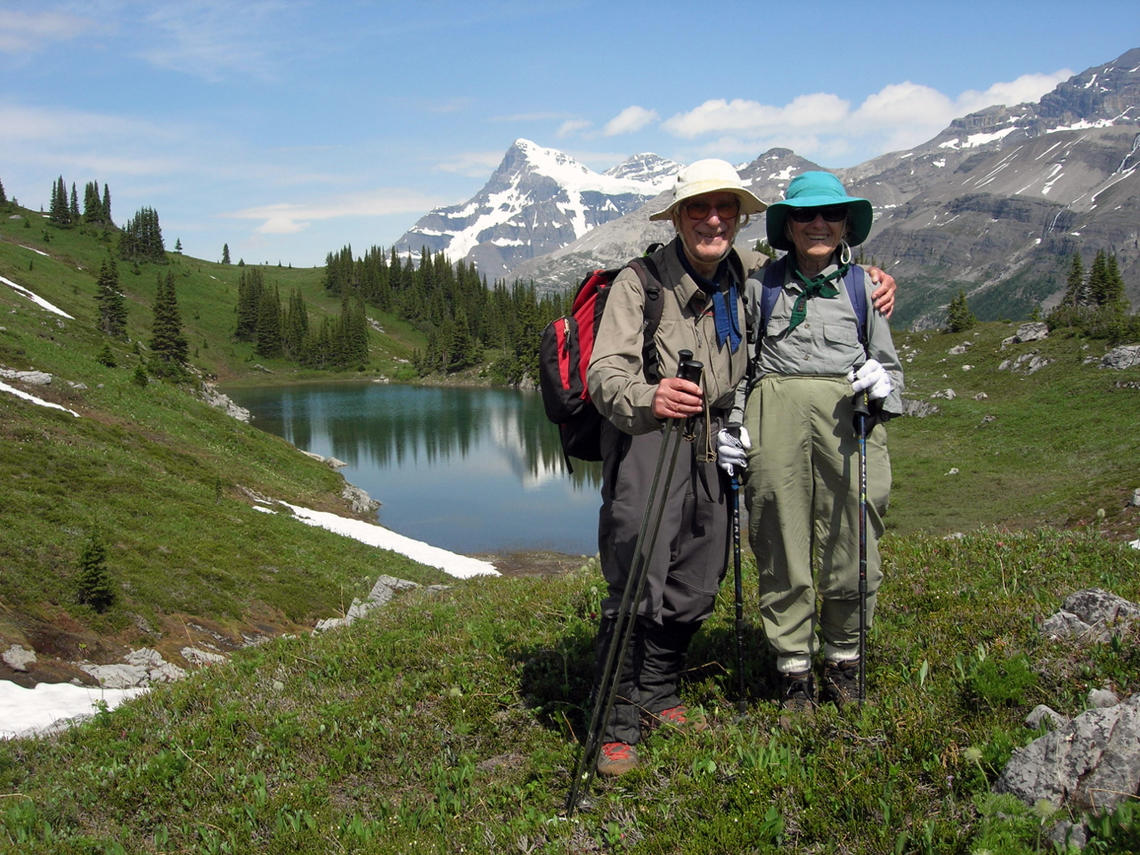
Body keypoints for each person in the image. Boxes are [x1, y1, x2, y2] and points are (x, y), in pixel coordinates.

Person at [583, 161, 896, 776]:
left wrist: (878, 280)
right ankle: (615, 719)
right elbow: (604, 373)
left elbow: (818, 270)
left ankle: (659, 692)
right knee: (640, 569)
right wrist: (652, 397)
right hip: (651, 437)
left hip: (719, 439)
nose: (712, 219)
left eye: (725, 208)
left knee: (701, 576)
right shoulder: (638, 283)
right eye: (698, 208)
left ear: (741, 218)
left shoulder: (749, 271)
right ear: (677, 217)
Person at [736, 171, 904, 712]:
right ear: (788, 226)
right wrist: (734, 423)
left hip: (849, 426)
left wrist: (881, 386)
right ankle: (792, 669)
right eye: (805, 215)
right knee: (778, 540)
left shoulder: (863, 288)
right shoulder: (759, 286)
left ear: (846, 224)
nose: (818, 224)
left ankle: (843, 659)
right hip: (772, 422)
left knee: (853, 540)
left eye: (831, 215)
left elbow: (893, 374)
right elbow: (740, 369)